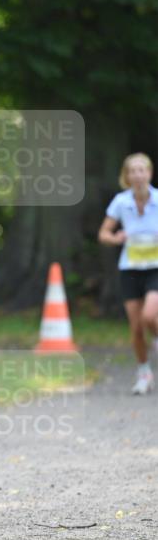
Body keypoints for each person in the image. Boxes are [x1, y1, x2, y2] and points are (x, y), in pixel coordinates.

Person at [98, 152, 158, 395]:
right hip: (130, 268)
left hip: (155, 267)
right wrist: (116, 237)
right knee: (135, 328)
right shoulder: (121, 202)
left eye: (141, 170)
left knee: (149, 315)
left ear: (149, 173)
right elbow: (103, 234)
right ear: (127, 176)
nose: (137, 175)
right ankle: (143, 371)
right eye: (132, 171)